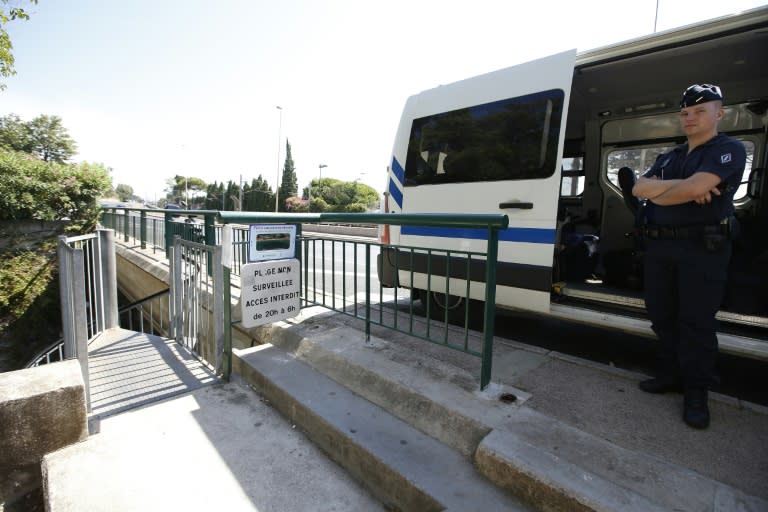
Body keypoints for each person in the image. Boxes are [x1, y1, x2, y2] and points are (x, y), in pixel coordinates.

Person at [632, 84, 746, 429]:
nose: (690, 117)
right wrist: (683, 189)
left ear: (718, 114)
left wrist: (666, 192)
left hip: (703, 250)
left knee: (696, 323)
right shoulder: (670, 157)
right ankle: (670, 375)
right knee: (662, 315)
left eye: (699, 111)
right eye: (685, 112)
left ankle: (696, 391)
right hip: (661, 248)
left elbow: (692, 189)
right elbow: (639, 189)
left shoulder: (729, 148)